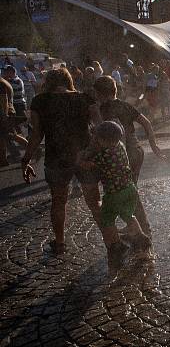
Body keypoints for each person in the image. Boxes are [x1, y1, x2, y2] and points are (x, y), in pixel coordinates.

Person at [20, 68, 105, 254]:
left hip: (56, 158)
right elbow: (100, 127)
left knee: (58, 202)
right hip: (85, 156)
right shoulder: (85, 98)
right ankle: (111, 241)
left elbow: (36, 135)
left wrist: (26, 159)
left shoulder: (40, 101)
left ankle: (59, 243)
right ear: (68, 81)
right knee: (94, 201)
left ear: (48, 82)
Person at [94, 75, 165, 236]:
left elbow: (110, 131)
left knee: (126, 191)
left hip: (124, 154)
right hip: (137, 151)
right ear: (115, 90)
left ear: (100, 93)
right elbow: (146, 123)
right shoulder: (125, 105)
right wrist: (153, 146)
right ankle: (134, 224)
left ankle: (143, 228)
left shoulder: (104, 109)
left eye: (97, 94)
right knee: (129, 189)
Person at [78, 121, 152, 270]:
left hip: (114, 194)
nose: (95, 140)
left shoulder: (103, 155)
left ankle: (118, 246)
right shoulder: (120, 146)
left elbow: (85, 164)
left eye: (97, 138)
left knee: (106, 219)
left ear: (104, 141)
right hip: (129, 189)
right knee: (128, 215)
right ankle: (141, 239)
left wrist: (79, 158)